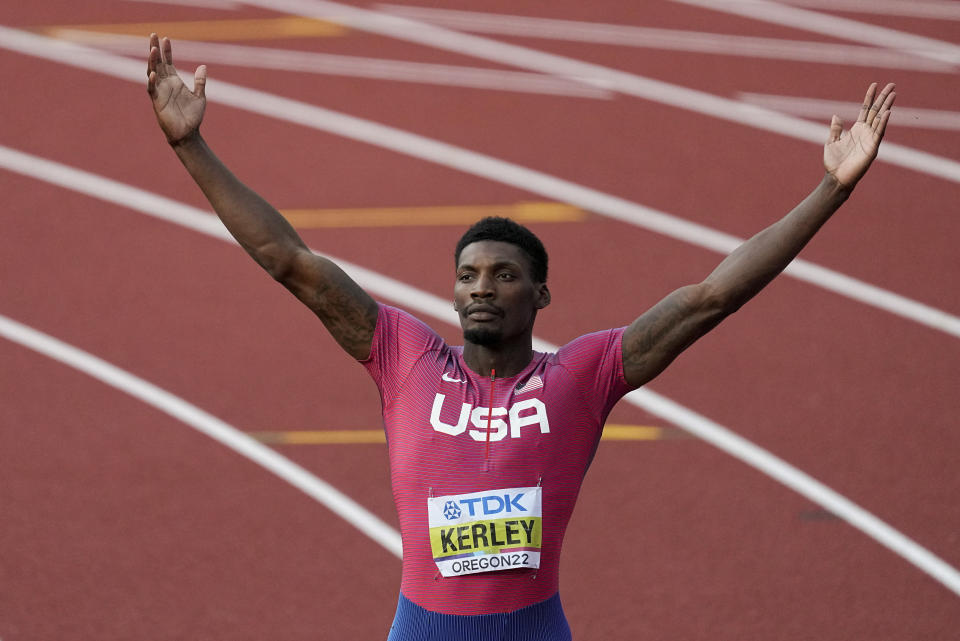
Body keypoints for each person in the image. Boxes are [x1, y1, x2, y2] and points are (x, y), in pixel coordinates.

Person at [146, 32, 895, 640]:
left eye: (503, 275)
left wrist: (832, 188)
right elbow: (290, 260)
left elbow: (712, 296)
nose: (480, 286)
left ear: (540, 295)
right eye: (468, 273)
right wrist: (190, 147)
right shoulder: (404, 357)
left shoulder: (583, 375)